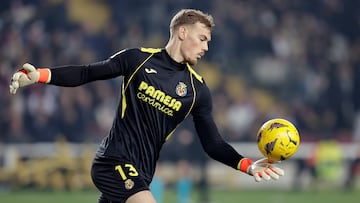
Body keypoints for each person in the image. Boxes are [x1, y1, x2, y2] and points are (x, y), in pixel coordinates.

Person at [9, 9, 284, 203]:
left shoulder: (198, 90)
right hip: (112, 162)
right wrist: (40, 75)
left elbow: (213, 143)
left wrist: (246, 165)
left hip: (142, 173)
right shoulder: (137, 59)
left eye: (209, 43)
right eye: (202, 39)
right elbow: (86, 73)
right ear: (182, 31)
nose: (206, 48)